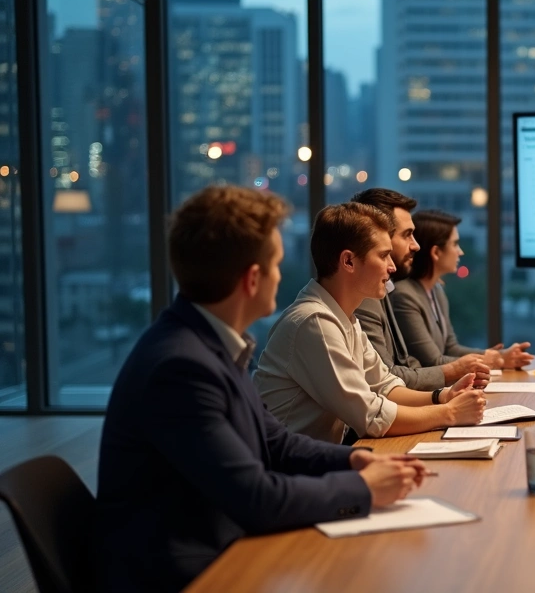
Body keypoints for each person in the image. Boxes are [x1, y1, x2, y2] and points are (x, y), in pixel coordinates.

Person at [95, 186, 427, 592]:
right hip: (185, 570)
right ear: (253, 279)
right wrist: (360, 488)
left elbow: (278, 443)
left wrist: (355, 463)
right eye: (276, 265)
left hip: (217, 543)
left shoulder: (207, 343)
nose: (281, 276)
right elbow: (257, 499)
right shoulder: (181, 367)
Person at [254, 202, 486, 445]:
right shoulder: (315, 322)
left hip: (318, 463)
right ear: (349, 262)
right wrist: (449, 413)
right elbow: (371, 416)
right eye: (384, 255)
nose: (392, 266)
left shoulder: (343, 316)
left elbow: (385, 386)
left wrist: (444, 396)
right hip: (290, 473)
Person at [349, 188, 492, 388]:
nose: (415, 246)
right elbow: (386, 379)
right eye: (407, 235)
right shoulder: (376, 297)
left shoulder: (387, 289)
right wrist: (446, 392)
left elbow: (407, 362)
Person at [393, 208, 534, 369]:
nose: (460, 252)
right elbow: (432, 362)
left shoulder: (436, 289)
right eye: (455, 244)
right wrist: (494, 361)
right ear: (436, 252)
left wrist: (500, 356)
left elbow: (450, 348)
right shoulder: (404, 295)